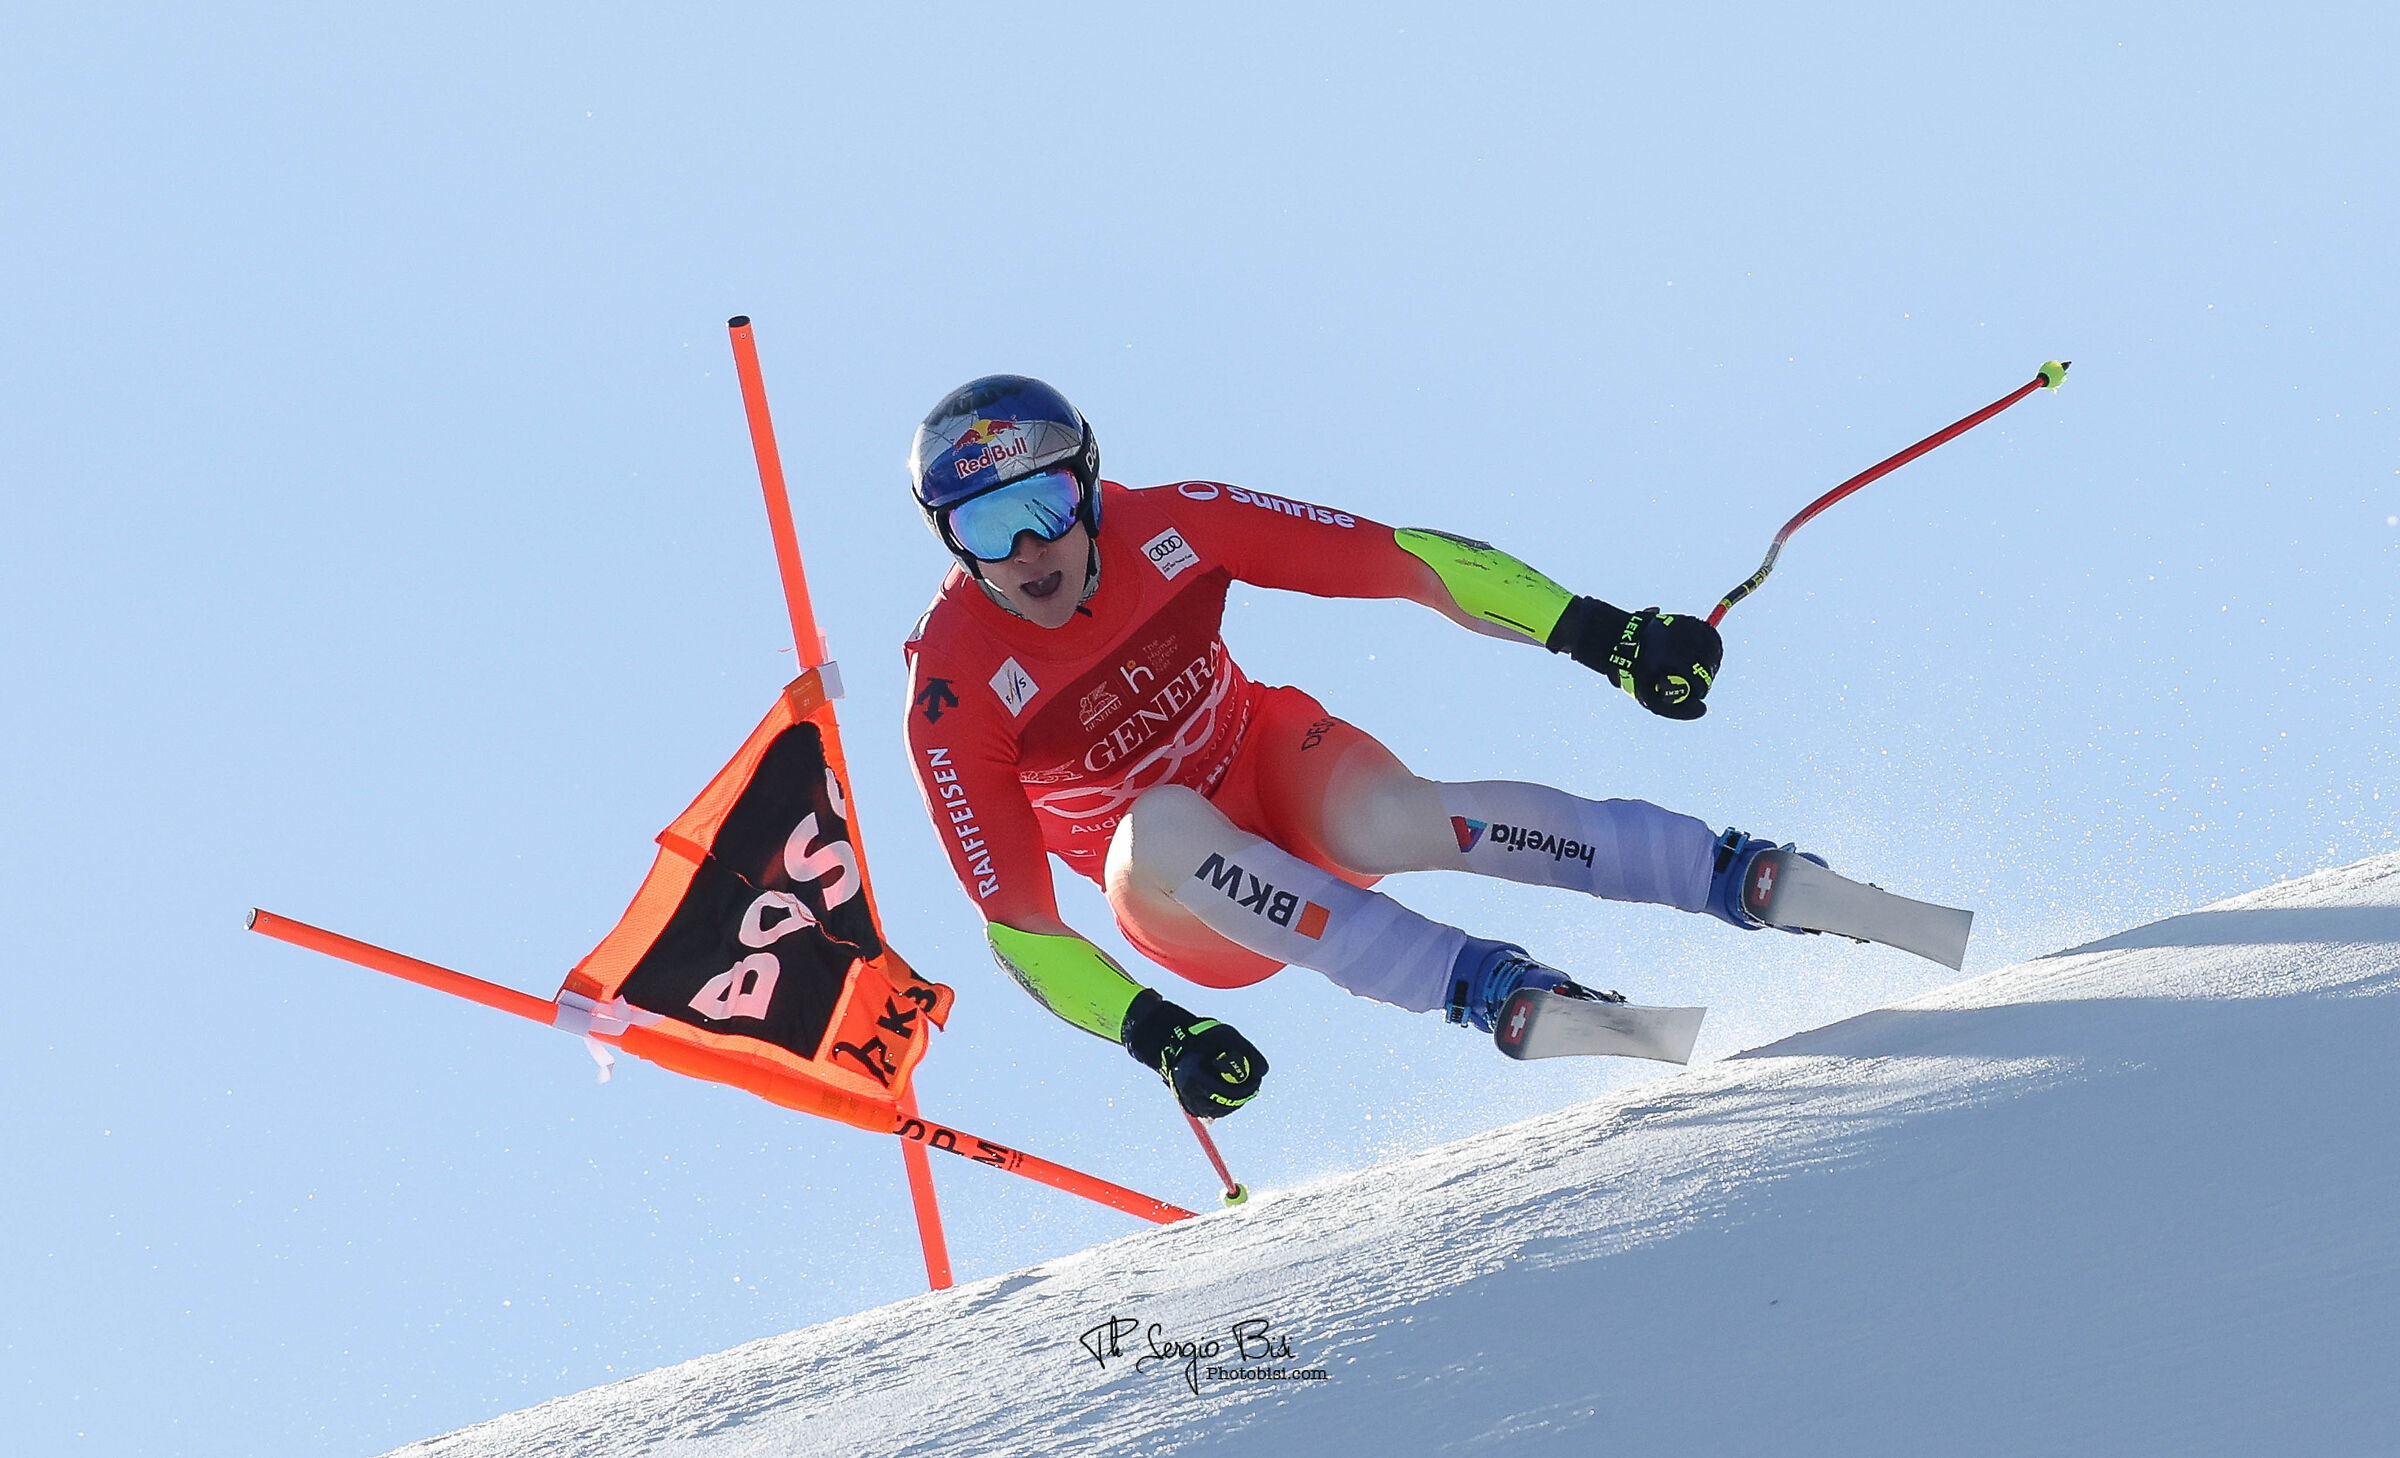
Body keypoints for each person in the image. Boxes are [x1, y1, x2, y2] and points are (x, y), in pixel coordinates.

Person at [901, 375, 1802, 1121]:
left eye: (1045, 505)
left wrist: (1606, 636)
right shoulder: (953, 683)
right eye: (985, 528)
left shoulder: (1176, 523)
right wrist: (1158, 1033)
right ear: (951, 541)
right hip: (1192, 900)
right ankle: (1485, 986)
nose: (1025, 549)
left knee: (1388, 819)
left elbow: (1405, 559)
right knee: (1163, 821)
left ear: (1090, 488)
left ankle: (1717, 869)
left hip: (1272, 770)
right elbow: (1019, 927)